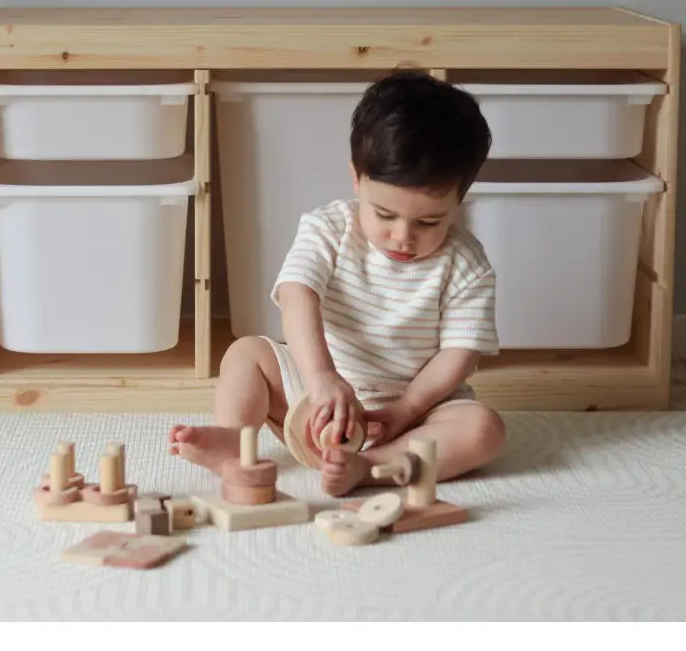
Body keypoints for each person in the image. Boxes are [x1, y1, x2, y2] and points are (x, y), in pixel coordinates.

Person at [169, 70, 506, 496]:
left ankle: (369, 466)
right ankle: (238, 441)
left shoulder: (466, 262)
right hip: (316, 396)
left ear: (460, 198)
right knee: (246, 354)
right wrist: (322, 377)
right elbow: (297, 295)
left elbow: (461, 351)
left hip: (412, 412)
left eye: (428, 221)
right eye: (384, 214)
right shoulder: (329, 227)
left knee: (483, 430)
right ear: (356, 178)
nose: (403, 235)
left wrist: (408, 408)